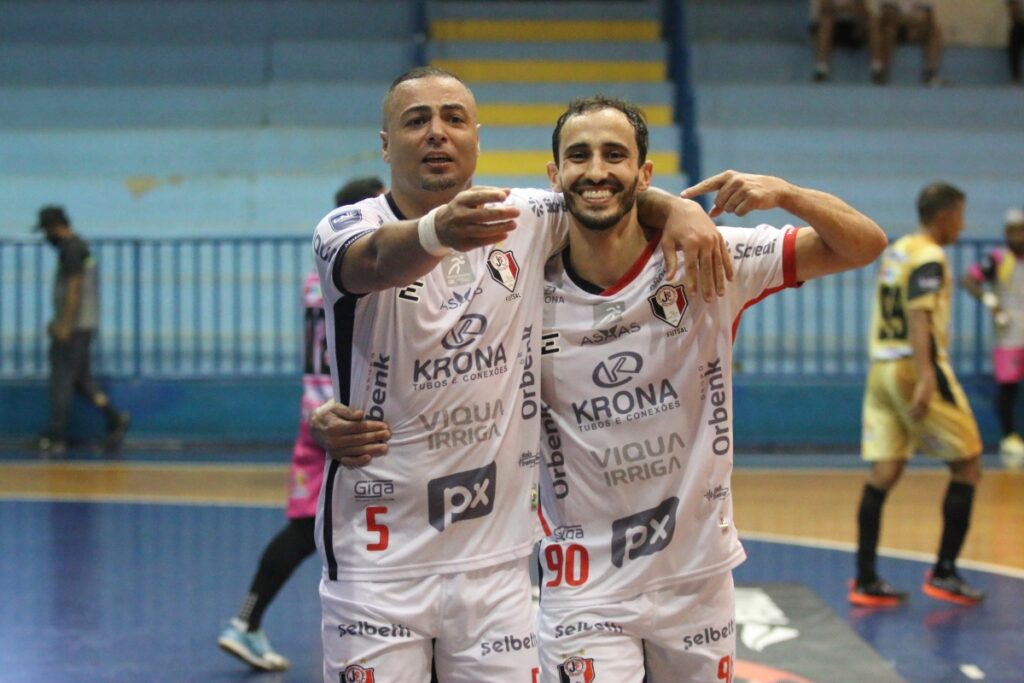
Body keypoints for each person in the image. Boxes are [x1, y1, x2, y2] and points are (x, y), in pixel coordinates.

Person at [315, 96, 887, 682]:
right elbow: (431, 350)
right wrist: (324, 414)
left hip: (697, 574)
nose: (595, 171)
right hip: (581, 584)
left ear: (644, 173)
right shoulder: (525, 278)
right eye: (579, 156)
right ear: (554, 176)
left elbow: (864, 245)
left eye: (615, 155)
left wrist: (784, 194)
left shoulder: (708, 256)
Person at [309, 67, 728, 683]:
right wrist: (437, 232)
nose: (437, 132)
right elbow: (371, 261)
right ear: (386, 144)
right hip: (378, 564)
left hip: (496, 566)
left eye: (453, 118)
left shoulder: (524, 216)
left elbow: (602, 194)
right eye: (416, 120)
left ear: (476, 138)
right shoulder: (345, 227)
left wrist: (679, 210)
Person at [217, 177, 386, 671]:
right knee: (389, 528)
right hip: (357, 419)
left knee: (305, 528)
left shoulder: (317, 274)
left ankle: (246, 620)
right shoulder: (372, 273)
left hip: (315, 416)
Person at [852, 182, 986, 608]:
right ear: (944, 215)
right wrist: (927, 376)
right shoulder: (930, 255)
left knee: (885, 471)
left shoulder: (897, 251)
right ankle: (944, 572)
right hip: (914, 366)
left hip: (882, 367)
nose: (962, 225)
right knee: (968, 465)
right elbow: (918, 314)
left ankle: (865, 578)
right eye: (960, 216)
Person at [34, 206, 130, 455]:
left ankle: (56, 435)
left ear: (56, 227)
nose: (46, 237)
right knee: (81, 380)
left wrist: (64, 324)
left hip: (74, 327)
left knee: (62, 378)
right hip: (84, 324)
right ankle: (115, 417)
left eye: (46, 231)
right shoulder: (81, 246)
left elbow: (74, 289)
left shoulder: (71, 249)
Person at [962, 207, 1024, 469]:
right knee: (1008, 388)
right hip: (1008, 334)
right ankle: (1010, 437)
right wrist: (990, 301)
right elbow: (969, 280)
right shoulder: (998, 259)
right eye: (1013, 231)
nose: (1018, 236)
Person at [870, 0, 943, 86]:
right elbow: (887, 15)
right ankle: (880, 70)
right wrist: (912, 18)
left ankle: (931, 73)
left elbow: (928, 16)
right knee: (885, 29)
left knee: (934, 31)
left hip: (914, 29)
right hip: (894, 29)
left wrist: (913, 21)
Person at [812, 0, 871, 82]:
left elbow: (864, 10)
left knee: (870, 21)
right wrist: (846, 8)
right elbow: (824, 7)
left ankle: (877, 68)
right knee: (826, 21)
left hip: (853, 27)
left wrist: (839, 9)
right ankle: (821, 68)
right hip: (834, 26)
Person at [1009, 0, 1023, 84]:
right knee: (1014, 52)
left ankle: (1016, 77)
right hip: (1018, 25)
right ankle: (1016, 77)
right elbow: (1013, 8)